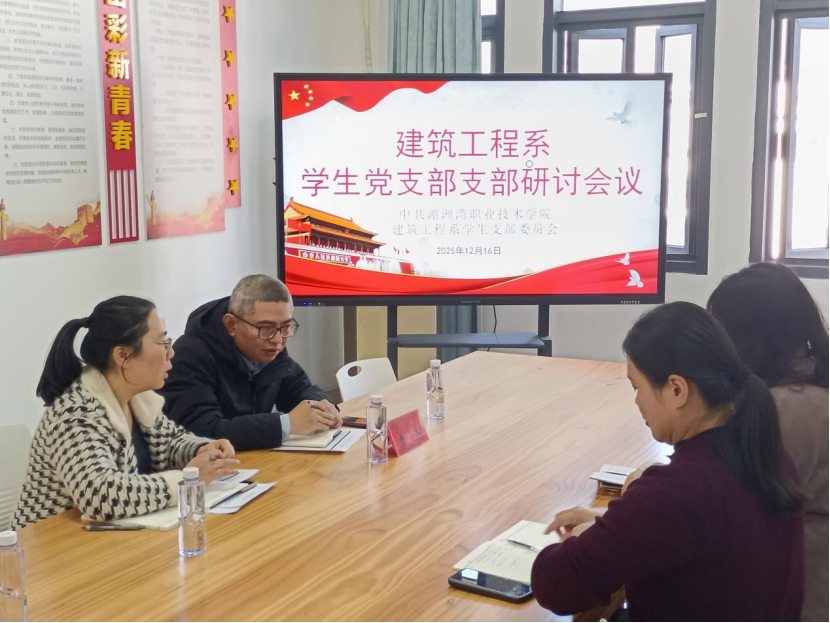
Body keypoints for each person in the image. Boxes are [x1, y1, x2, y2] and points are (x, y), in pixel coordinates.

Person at [531, 302, 805, 622]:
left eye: (637, 387)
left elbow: (555, 585)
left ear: (676, 389)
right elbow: (696, 537)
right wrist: (612, 524)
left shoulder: (677, 492)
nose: (636, 401)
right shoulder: (766, 456)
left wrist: (579, 538)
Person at [12, 296, 238, 529]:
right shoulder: (74, 414)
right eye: (162, 342)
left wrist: (202, 449)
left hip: (108, 537)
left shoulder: (137, 398)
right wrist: (187, 481)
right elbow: (100, 496)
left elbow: (170, 442)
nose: (171, 353)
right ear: (123, 355)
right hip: (50, 544)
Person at [709, 262, 829, 622]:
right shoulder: (808, 381)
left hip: (799, 595)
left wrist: (640, 495)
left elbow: (728, 510)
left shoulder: (782, 408)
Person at [160, 275, 341, 451]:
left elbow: (299, 388)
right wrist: (285, 424)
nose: (278, 340)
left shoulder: (269, 346)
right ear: (231, 324)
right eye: (266, 328)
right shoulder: (190, 355)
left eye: (286, 327)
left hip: (251, 459)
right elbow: (201, 430)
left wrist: (322, 406)